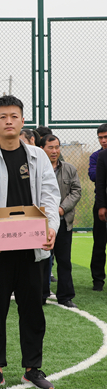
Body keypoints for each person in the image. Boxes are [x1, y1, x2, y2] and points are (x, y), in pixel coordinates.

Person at [0, 95, 60, 389]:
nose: (8, 121)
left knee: (32, 309)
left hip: (31, 246)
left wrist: (52, 227)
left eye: (14, 116)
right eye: (3, 116)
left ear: (22, 121)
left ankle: (33, 368)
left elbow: (50, 194)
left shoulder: (38, 156)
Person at [40, 134, 81, 308]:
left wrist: (61, 209)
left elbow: (76, 191)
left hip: (64, 222)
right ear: (42, 149)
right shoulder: (35, 169)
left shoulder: (69, 169)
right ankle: (41, 295)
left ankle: (65, 297)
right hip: (42, 223)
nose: (54, 151)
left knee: (64, 261)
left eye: (57, 147)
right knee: (42, 260)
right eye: (50, 147)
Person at [88, 123, 107, 292]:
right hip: (102, 203)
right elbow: (95, 176)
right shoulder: (97, 156)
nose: (103, 141)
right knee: (99, 243)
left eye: (106, 137)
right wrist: (101, 205)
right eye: (100, 138)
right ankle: (98, 280)